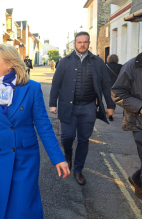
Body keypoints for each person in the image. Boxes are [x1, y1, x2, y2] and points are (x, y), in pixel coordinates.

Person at [0, 44, 69, 219]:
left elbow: (44, 126)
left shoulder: (32, 88)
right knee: (2, 202)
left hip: (24, 157)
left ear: (10, 63)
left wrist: (58, 158)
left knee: (21, 205)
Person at [49, 31, 115, 185]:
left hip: (88, 107)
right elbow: (56, 84)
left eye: (85, 42)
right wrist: (53, 103)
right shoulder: (64, 62)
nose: (82, 45)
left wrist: (110, 105)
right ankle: (68, 155)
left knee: (84, 140)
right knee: (67, 137)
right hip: (68, 107)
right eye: (79, 42)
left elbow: (106, 85)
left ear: (88, 43)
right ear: (74, 44)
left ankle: (78, 170)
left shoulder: (98, 62)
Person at [111, 52, 142, 200]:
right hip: (139, 122)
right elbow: (117, 92)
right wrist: (140, 107)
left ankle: (137, 178)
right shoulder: (132, 65)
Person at [106, 54, 123, 121]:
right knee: (114, 99)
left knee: (109, 99)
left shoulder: (106, 66)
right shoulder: (120, 66)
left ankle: (110, 113)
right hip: (116, 85)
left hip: (107, 85)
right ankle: (112, 112)